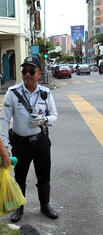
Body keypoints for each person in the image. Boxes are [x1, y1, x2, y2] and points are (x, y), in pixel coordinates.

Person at [0, 56, 58, 222]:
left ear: (39, 73)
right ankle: (19, 208)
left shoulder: (46, 93)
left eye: (31, 71)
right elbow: (4, 120)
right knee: (20, 177)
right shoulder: (12, 93)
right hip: (20, 143)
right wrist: (5, 147)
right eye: (24, 70)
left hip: (41, 141)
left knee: (44, 175)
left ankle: (45, 205)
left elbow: (54, 115)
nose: (27, 74)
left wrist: (46, 120)